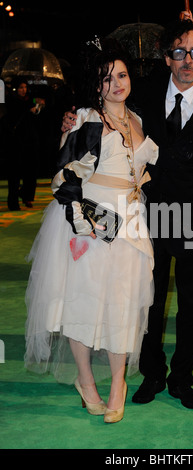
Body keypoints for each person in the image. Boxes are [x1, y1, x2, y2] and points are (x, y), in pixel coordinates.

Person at [62, 18, 193, 409]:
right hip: (149, 214)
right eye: (179, 52)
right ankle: (152, 374)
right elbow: (104, 106)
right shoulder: (140, 93)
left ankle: (181, 378)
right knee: (147, 300)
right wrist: (72, 119)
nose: (187, 60)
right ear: (166, 57)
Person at [24, 38, 158, 424]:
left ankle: (119, 383)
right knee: (80, 303)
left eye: (122, 74)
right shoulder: (86, 117)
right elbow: (64, 180)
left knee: (123, 303)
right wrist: (89, 222)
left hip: (131, 221)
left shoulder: (138, 118)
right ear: (96, 84)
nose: (117, 83)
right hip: (90, 223)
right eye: (107, 78)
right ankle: (86, 381)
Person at [2, 78, 44, 210]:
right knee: (14, 173)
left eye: (25, 87)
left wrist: (37, 106)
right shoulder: (10, 100)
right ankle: (13, 201)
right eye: (20, 87)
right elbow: (16, 110)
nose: (23, 90)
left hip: (30, 141)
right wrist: (32, 104)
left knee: (31, 170)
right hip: (15, 142)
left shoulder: (29, 100)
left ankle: (26, 196)